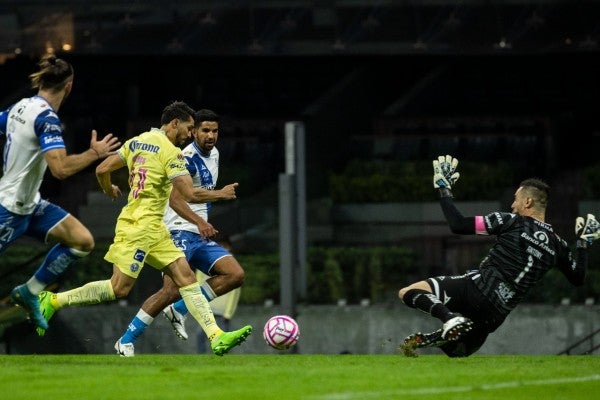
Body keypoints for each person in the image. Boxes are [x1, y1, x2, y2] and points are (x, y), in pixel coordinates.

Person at [37, 101, 252, 356]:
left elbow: (102, 168)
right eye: (189, 127)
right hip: (138, 228)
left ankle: (216, 337)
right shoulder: (171, 153)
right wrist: (222, 194)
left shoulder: (138, 141)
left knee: (186, 278)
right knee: (119, 288)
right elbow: (189, 194)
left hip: (156, 229)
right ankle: (53, 300)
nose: (190, 134)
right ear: (175, 123)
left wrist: (108, 188)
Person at [399, 155, 598, 357]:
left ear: (527, 202)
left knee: (408, 292)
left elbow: (458, 224)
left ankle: (449, 319)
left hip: (477, 290)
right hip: (497, 313)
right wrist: (582, 243)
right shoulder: (558, 245)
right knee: (457, 351)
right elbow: (578, 277)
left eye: (516, 199)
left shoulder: (511, 221)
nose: (512, 204)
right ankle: (443, 336)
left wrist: (444, 188)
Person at [0, 54, 120, 331]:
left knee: (82, 241)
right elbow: (61, 170)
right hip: (9, 210)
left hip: (32, 206)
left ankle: (29, 292)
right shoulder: (47, 119)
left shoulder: (22, 106)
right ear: (69, 86)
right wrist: (94, 153)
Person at [115, 109, 246, 355]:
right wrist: (202, 218)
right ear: (193, 131)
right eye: (205, 130)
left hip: (198, 234)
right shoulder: (185, 158)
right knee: (170, 291)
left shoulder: (214, 154)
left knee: (235, 274)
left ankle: (180, 310)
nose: (211, 135)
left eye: (215, 131)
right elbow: (176, 200)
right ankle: (126, 340)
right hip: (177, 232)